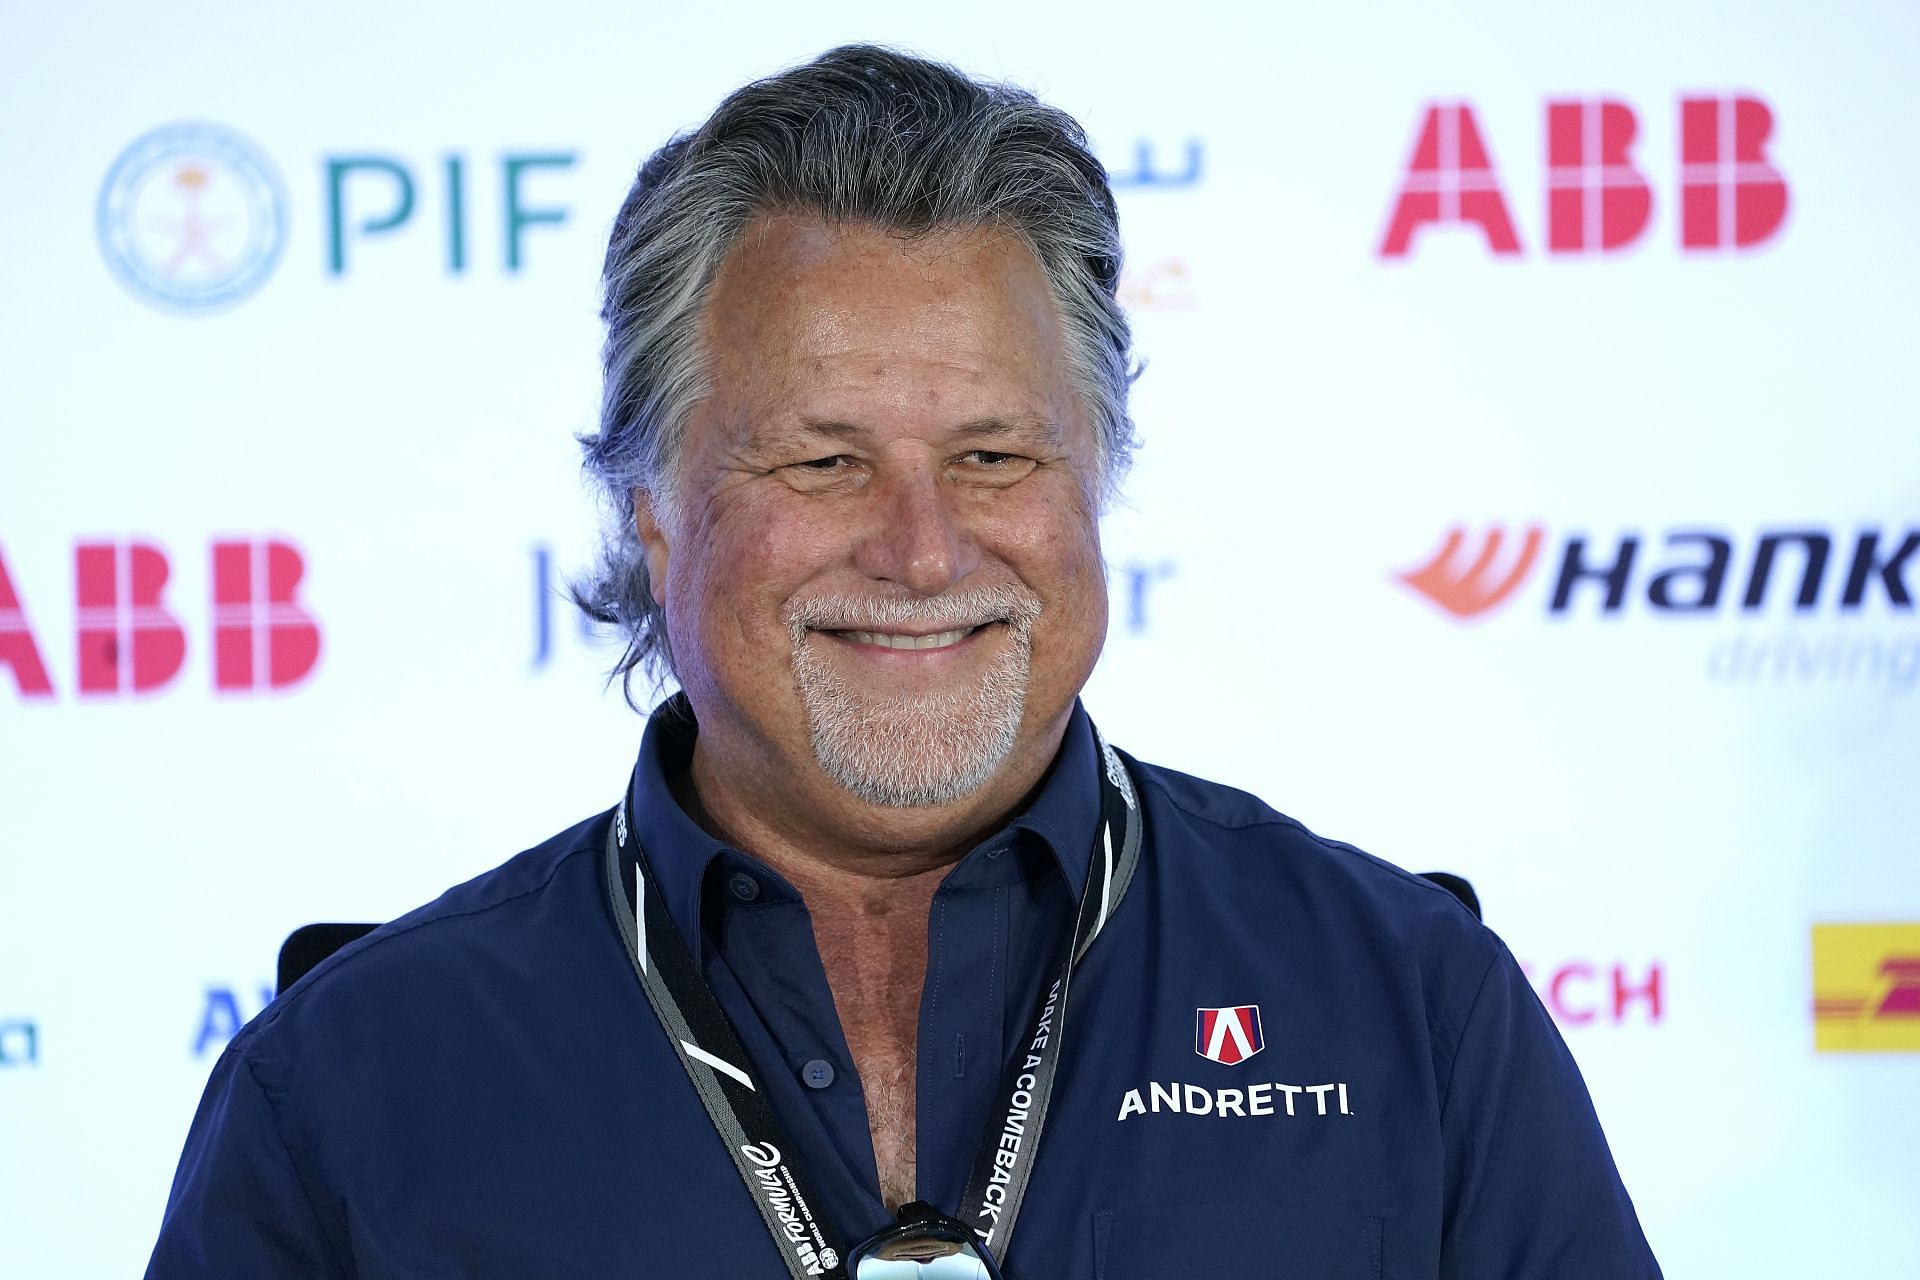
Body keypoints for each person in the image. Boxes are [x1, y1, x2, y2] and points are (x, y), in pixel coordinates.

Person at [146, 45, 1662, 1278]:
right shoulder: (344, 1087)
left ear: (1095, 483)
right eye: (820, 463)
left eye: (996, 455)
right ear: (650, 514)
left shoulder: (1412, 1008)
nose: (925, 551)